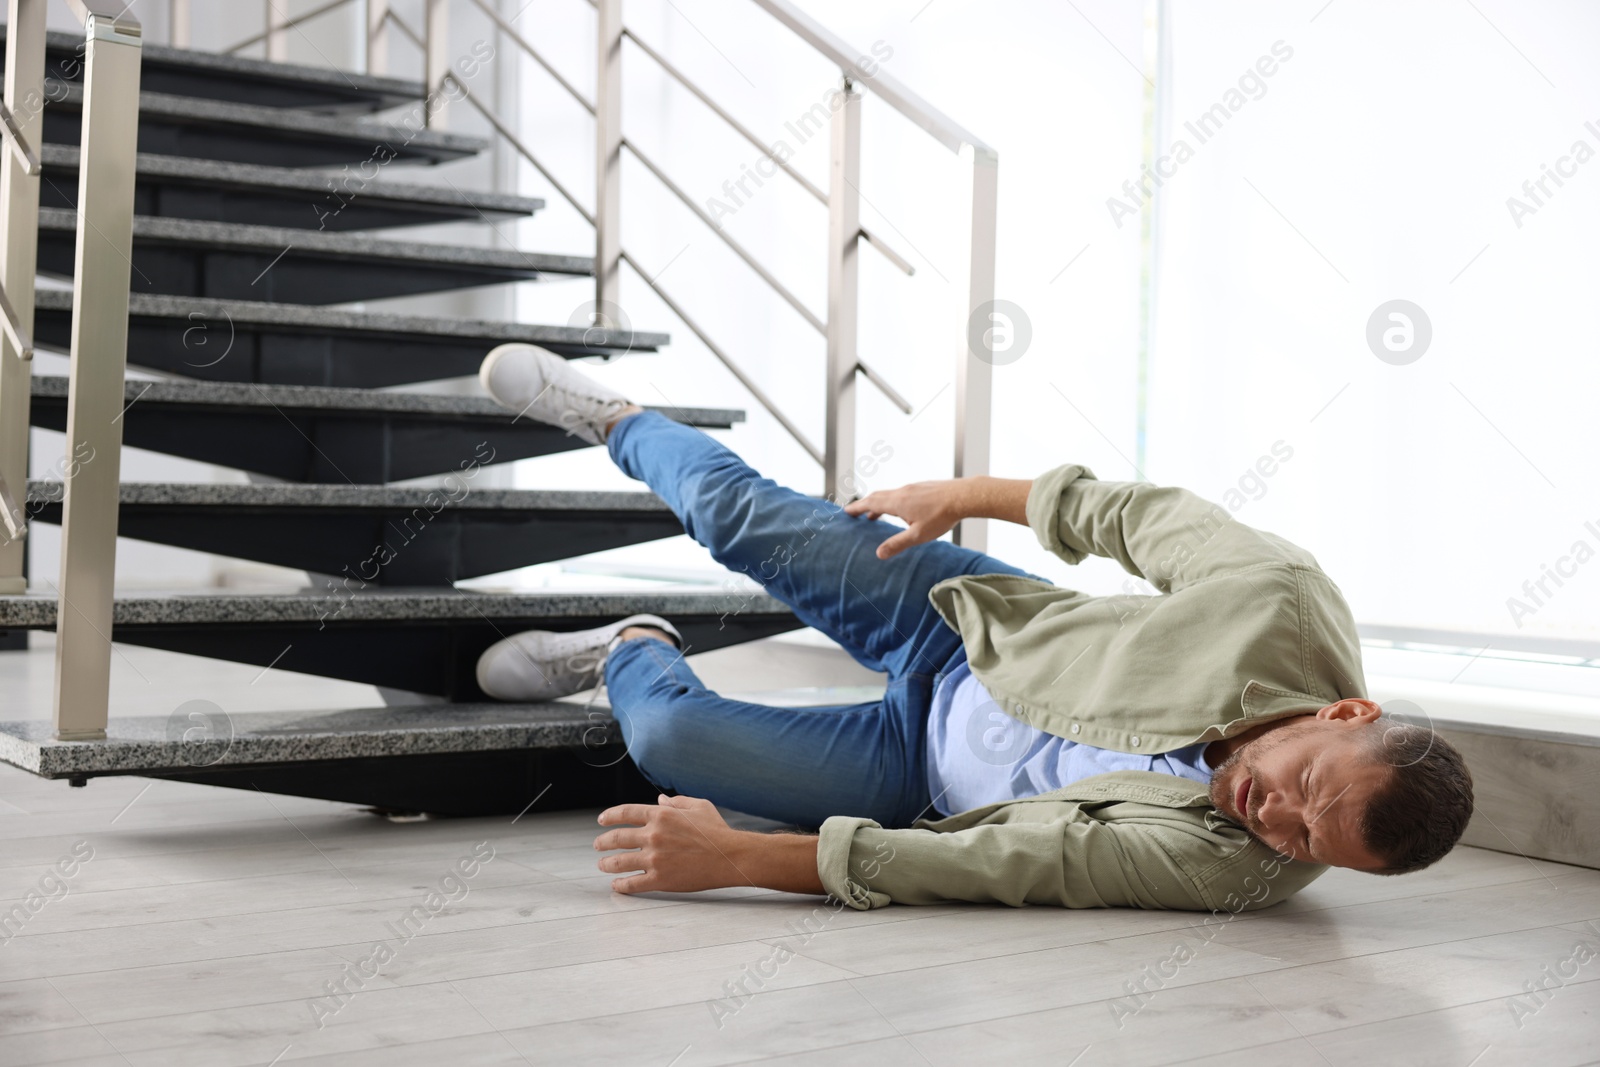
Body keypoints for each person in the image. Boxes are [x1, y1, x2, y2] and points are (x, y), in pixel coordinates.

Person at [473, 344, 1475, 912]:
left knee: (666, 737)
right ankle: (613, 417)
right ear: (1346, 708)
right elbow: (1122, 516)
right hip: (971, 622)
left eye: (1308, 842)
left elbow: (1012, 864)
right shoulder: (1283, 600)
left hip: (916, 772)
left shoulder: (1238, 869)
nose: (1275, 819)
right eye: (1305, 789)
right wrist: (970, 492)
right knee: (737, 518)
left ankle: (625, 648)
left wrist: (737, 859)